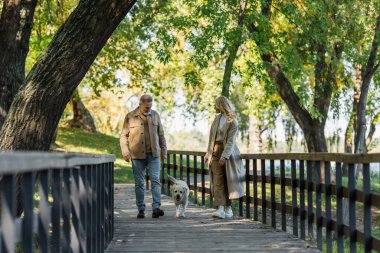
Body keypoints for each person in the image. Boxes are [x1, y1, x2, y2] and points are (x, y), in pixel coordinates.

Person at [120, 94, 167, 218]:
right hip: (137, 156)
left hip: (154, 154)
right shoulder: (130, 116)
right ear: (140, 104)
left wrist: (164, 152)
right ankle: (141, 209)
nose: (148, 109)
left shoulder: (155, 115)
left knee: (156, 180)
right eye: (146, 107)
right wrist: (125, 151)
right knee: (139, 183)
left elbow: (161, 135)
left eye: (150, 107)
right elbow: (123, 135)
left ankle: (156, 207)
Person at [205, 96, 244, 219]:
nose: (214, 107)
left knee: (229, 181)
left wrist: (224, 156)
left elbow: (231, 142)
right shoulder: (216, 119)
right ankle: (220, 208)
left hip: (228, 153)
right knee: (218, 181)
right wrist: (208, 153)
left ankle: (228, 208)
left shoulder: (232, 121)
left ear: (221, 105)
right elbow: (211, 138)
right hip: (215, 152)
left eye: (216, 104)